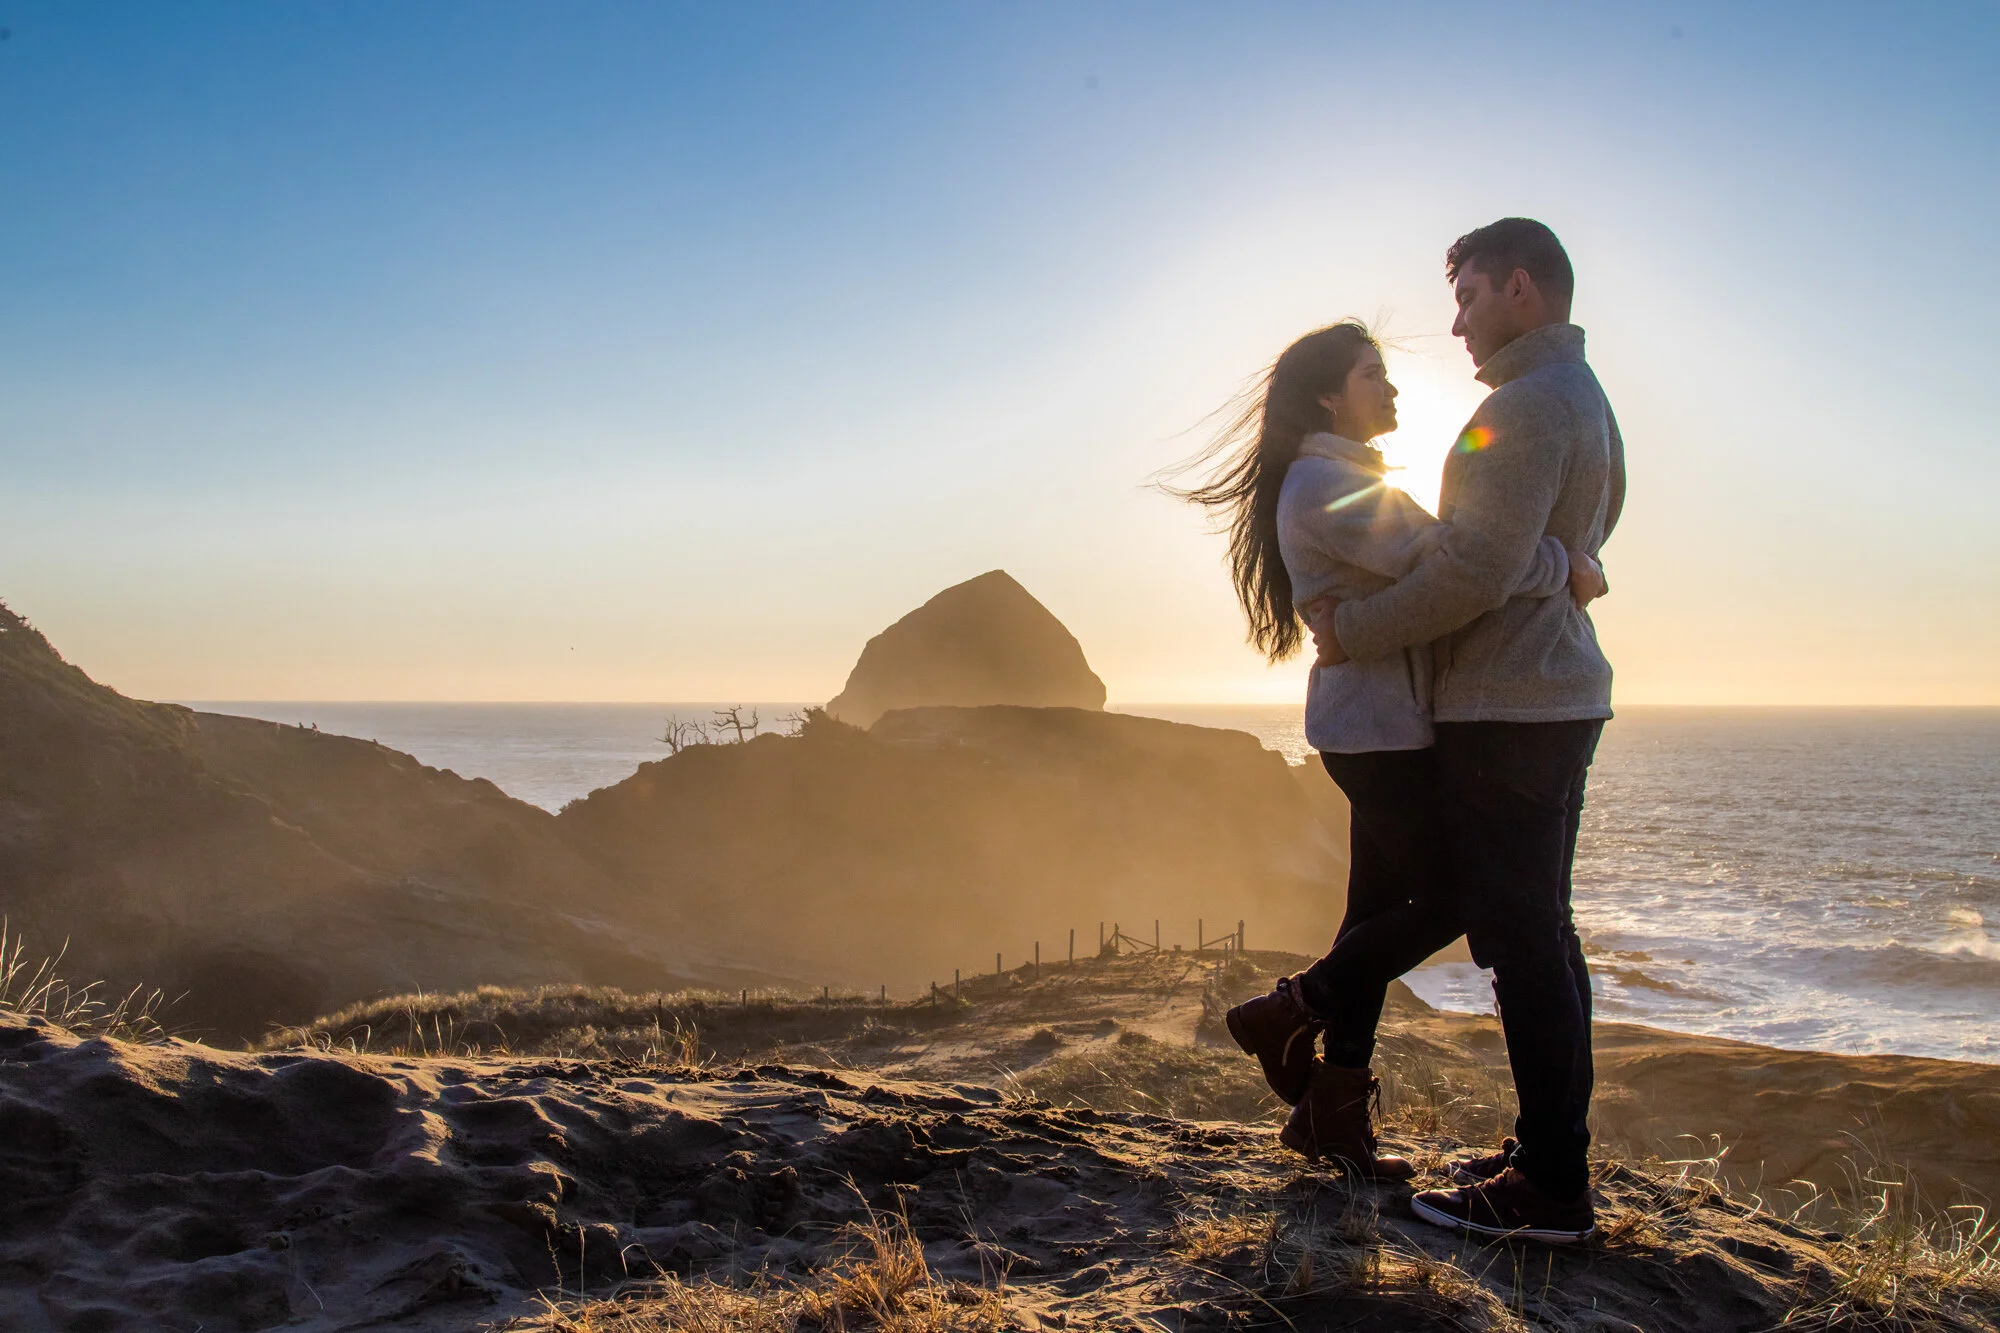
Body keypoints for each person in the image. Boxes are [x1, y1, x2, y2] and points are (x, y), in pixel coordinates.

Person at [1171, 319, 1605, 1182]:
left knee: (1374, 907)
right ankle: (1289, 1008)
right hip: (1381, 731)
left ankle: (1333, 1112)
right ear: (1331, 394)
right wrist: (1566, 563)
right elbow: (1459, 561)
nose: (1393, 389)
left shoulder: (1333, 477)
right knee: (1455, 895)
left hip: (1379, 723)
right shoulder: (1328, 483)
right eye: (1374, 374)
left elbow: (1445, 562)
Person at [1307, 218, 1624, 1244]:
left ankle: (1549, 1189)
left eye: (1469, 296)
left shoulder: (1525, 408)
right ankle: (1545, 1157)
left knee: (1521, 940)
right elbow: (1545, 551)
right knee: (1540, 930)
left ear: (1520, 289)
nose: (1456, 323)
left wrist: (1350, 631)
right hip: (1546, 697)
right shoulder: (1583, 400)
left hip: (1505, 704)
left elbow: (1465, 571)